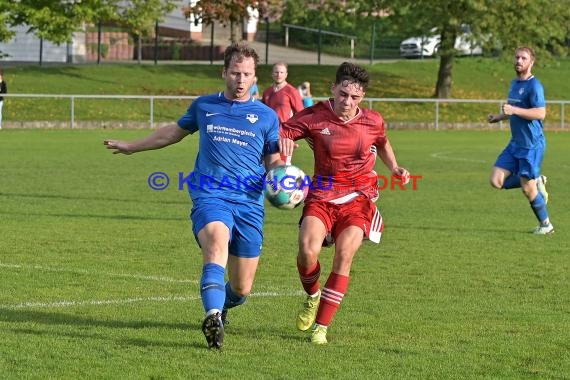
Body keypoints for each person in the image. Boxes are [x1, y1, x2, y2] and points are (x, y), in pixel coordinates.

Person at [104, 43, 283, 349]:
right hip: (210, 194)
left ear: (255, 78)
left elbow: (273, 161)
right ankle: (212, 317)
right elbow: (172, 132)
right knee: (216, 240)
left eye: (247, 74)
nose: (240, 80)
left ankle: (224, 305)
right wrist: (133, 146)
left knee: (242, 288)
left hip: (250, 204)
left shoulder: (266, 117)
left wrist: (284, 178)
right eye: (235, 73)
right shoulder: (204, 106)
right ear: (223, 72)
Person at [279, 62, 409, 344]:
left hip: (359, 198)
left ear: (362, 97)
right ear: (333, 90)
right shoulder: (314, 116)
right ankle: (312, 297)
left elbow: (383, 142)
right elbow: (283, 131)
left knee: (344, 254)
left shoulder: (373, 120)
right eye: (343, 95)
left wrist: (395, 168)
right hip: (322, 195)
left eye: (355, 97)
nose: (348, 102)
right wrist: (284, 144)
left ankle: (321, 328)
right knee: (306, 251)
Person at [487, 46, 554, 235]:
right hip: (515, 143)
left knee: (527, 188)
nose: (518, 61)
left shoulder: (535, 86)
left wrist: (513, 110)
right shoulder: (514, 84)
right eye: (516, 57)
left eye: (523, 58)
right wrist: (499, 117)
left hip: (531, 145)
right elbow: (514, 111)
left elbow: (540, 113)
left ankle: (546, 225)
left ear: (531, 62)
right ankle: (536, 179)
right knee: (496, 181)